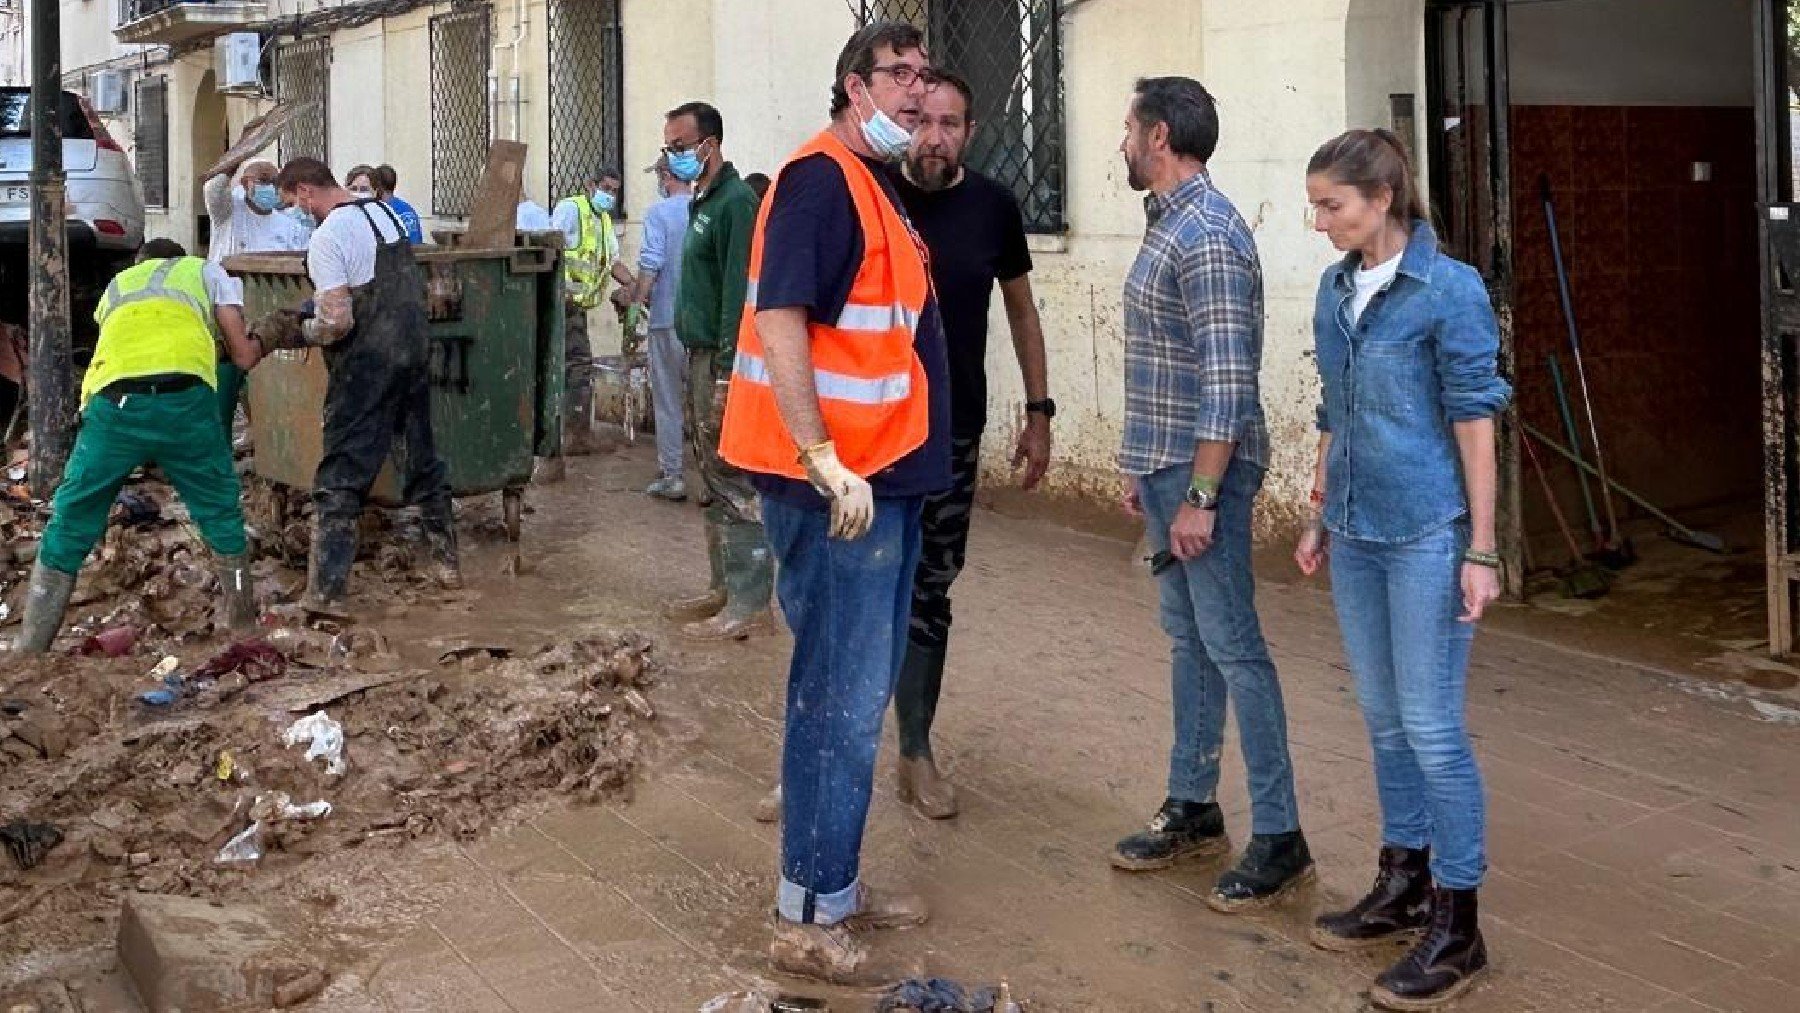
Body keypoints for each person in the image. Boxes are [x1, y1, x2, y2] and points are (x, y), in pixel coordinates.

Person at [716, 22, 948, 986]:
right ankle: (808, 911)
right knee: (837, 698)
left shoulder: (873, 186)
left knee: (858, 689)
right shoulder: (817, 178)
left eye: (923, 75)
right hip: (838, 490)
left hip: (880, 482)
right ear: (853, 86)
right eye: (898, 73)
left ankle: (835, 886)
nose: (914, 91)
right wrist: (819, 455)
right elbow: (780, 318)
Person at [1298, 129, 1509, 1011]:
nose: (1319, 222)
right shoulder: (1335, 287)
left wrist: (1483, 546)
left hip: (1427, 531)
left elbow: (1475, 418)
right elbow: (1334, 409)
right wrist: (1318, 513)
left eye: (1331, 206)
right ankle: (1403, 880)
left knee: (1431, 726)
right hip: (1355, 530)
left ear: (1382, 199)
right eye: (1315, 206)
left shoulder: (1449, 290)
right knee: (1384, 721)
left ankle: (1460, 923)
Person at [1110, 77, 1313, 912]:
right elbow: (1167, 364)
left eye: (1128, 128)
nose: (1121, 142)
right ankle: (1194, 805)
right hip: (1166, 467)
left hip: (1204, 478)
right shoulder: (1170, 224)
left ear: (1159, 137)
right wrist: (1141, 465)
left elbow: (1227, 385)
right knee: (1190, 640)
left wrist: (1200, 494)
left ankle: (1282, 834)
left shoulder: (1208, 235)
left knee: (1233, 644)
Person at [11, 239, 265, 652]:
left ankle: (31, 647)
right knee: (219, 510)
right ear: (180, 257)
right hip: (184, 404)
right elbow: (242, 356)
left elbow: (127, 342)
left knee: (72, 516)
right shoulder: (205, 271)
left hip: (113, 406)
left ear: (140, 263)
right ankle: (243, 628)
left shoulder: (118, 286)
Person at [259, 158, 460, 615]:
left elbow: (336, 319)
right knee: (423, 460)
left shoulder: (328, 236)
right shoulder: (384, 214)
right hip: (412, 352)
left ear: (306, 191)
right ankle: (447, 568)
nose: (297, 211)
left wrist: (301, 329)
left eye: (294, 202)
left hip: (367, 364)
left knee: (342, 473)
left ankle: (327, 594)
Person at [660, 101, 775, 642]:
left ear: (710, 144)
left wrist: (729, 376)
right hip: (696, 355)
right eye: (669, 147)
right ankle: (723, 587)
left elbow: (740, 296)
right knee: (711, 473)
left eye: (680, 146)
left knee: (733, 473)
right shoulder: (700, 202)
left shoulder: (735, 204)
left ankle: (750, 601)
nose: (673, 155)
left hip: (722, 360)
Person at [202, 155, 309, 440]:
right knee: (224, 384)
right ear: (245, 184)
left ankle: (263, 440)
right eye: (263, 180)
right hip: (227, 315)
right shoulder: (228, 212)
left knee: (266, 385)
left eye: (274, 181)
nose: (270, 187)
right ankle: (219, 445)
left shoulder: (288, 227)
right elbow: (214, 188)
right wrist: (242, 153)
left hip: (268, 317)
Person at [551, 169, 634, 458]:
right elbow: (552, 249)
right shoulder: (571, 209)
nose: (609, 196)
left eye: (614, 191)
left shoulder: (604, 220)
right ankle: (575, 437)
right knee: (578, 365)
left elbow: (613, 263)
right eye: (606, 188)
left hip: (578, 307)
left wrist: (637, 287)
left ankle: (570, 434)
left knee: (571, 366)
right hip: (563, 303)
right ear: (591, 185)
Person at [628, 155, 694, 501]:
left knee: (669, 401)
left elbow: (651, 261)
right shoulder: (704, 208)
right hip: (700, 325)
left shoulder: (659, 213)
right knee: (701, 403)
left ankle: (673, 476)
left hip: (666, 320)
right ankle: (714, 483)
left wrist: (637, 300)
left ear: (667, 176)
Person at [345, 165, 424, 245]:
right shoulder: (406, 207)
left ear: (377, 188)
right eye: (354, 189)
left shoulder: (382, 212)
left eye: (365, 189)